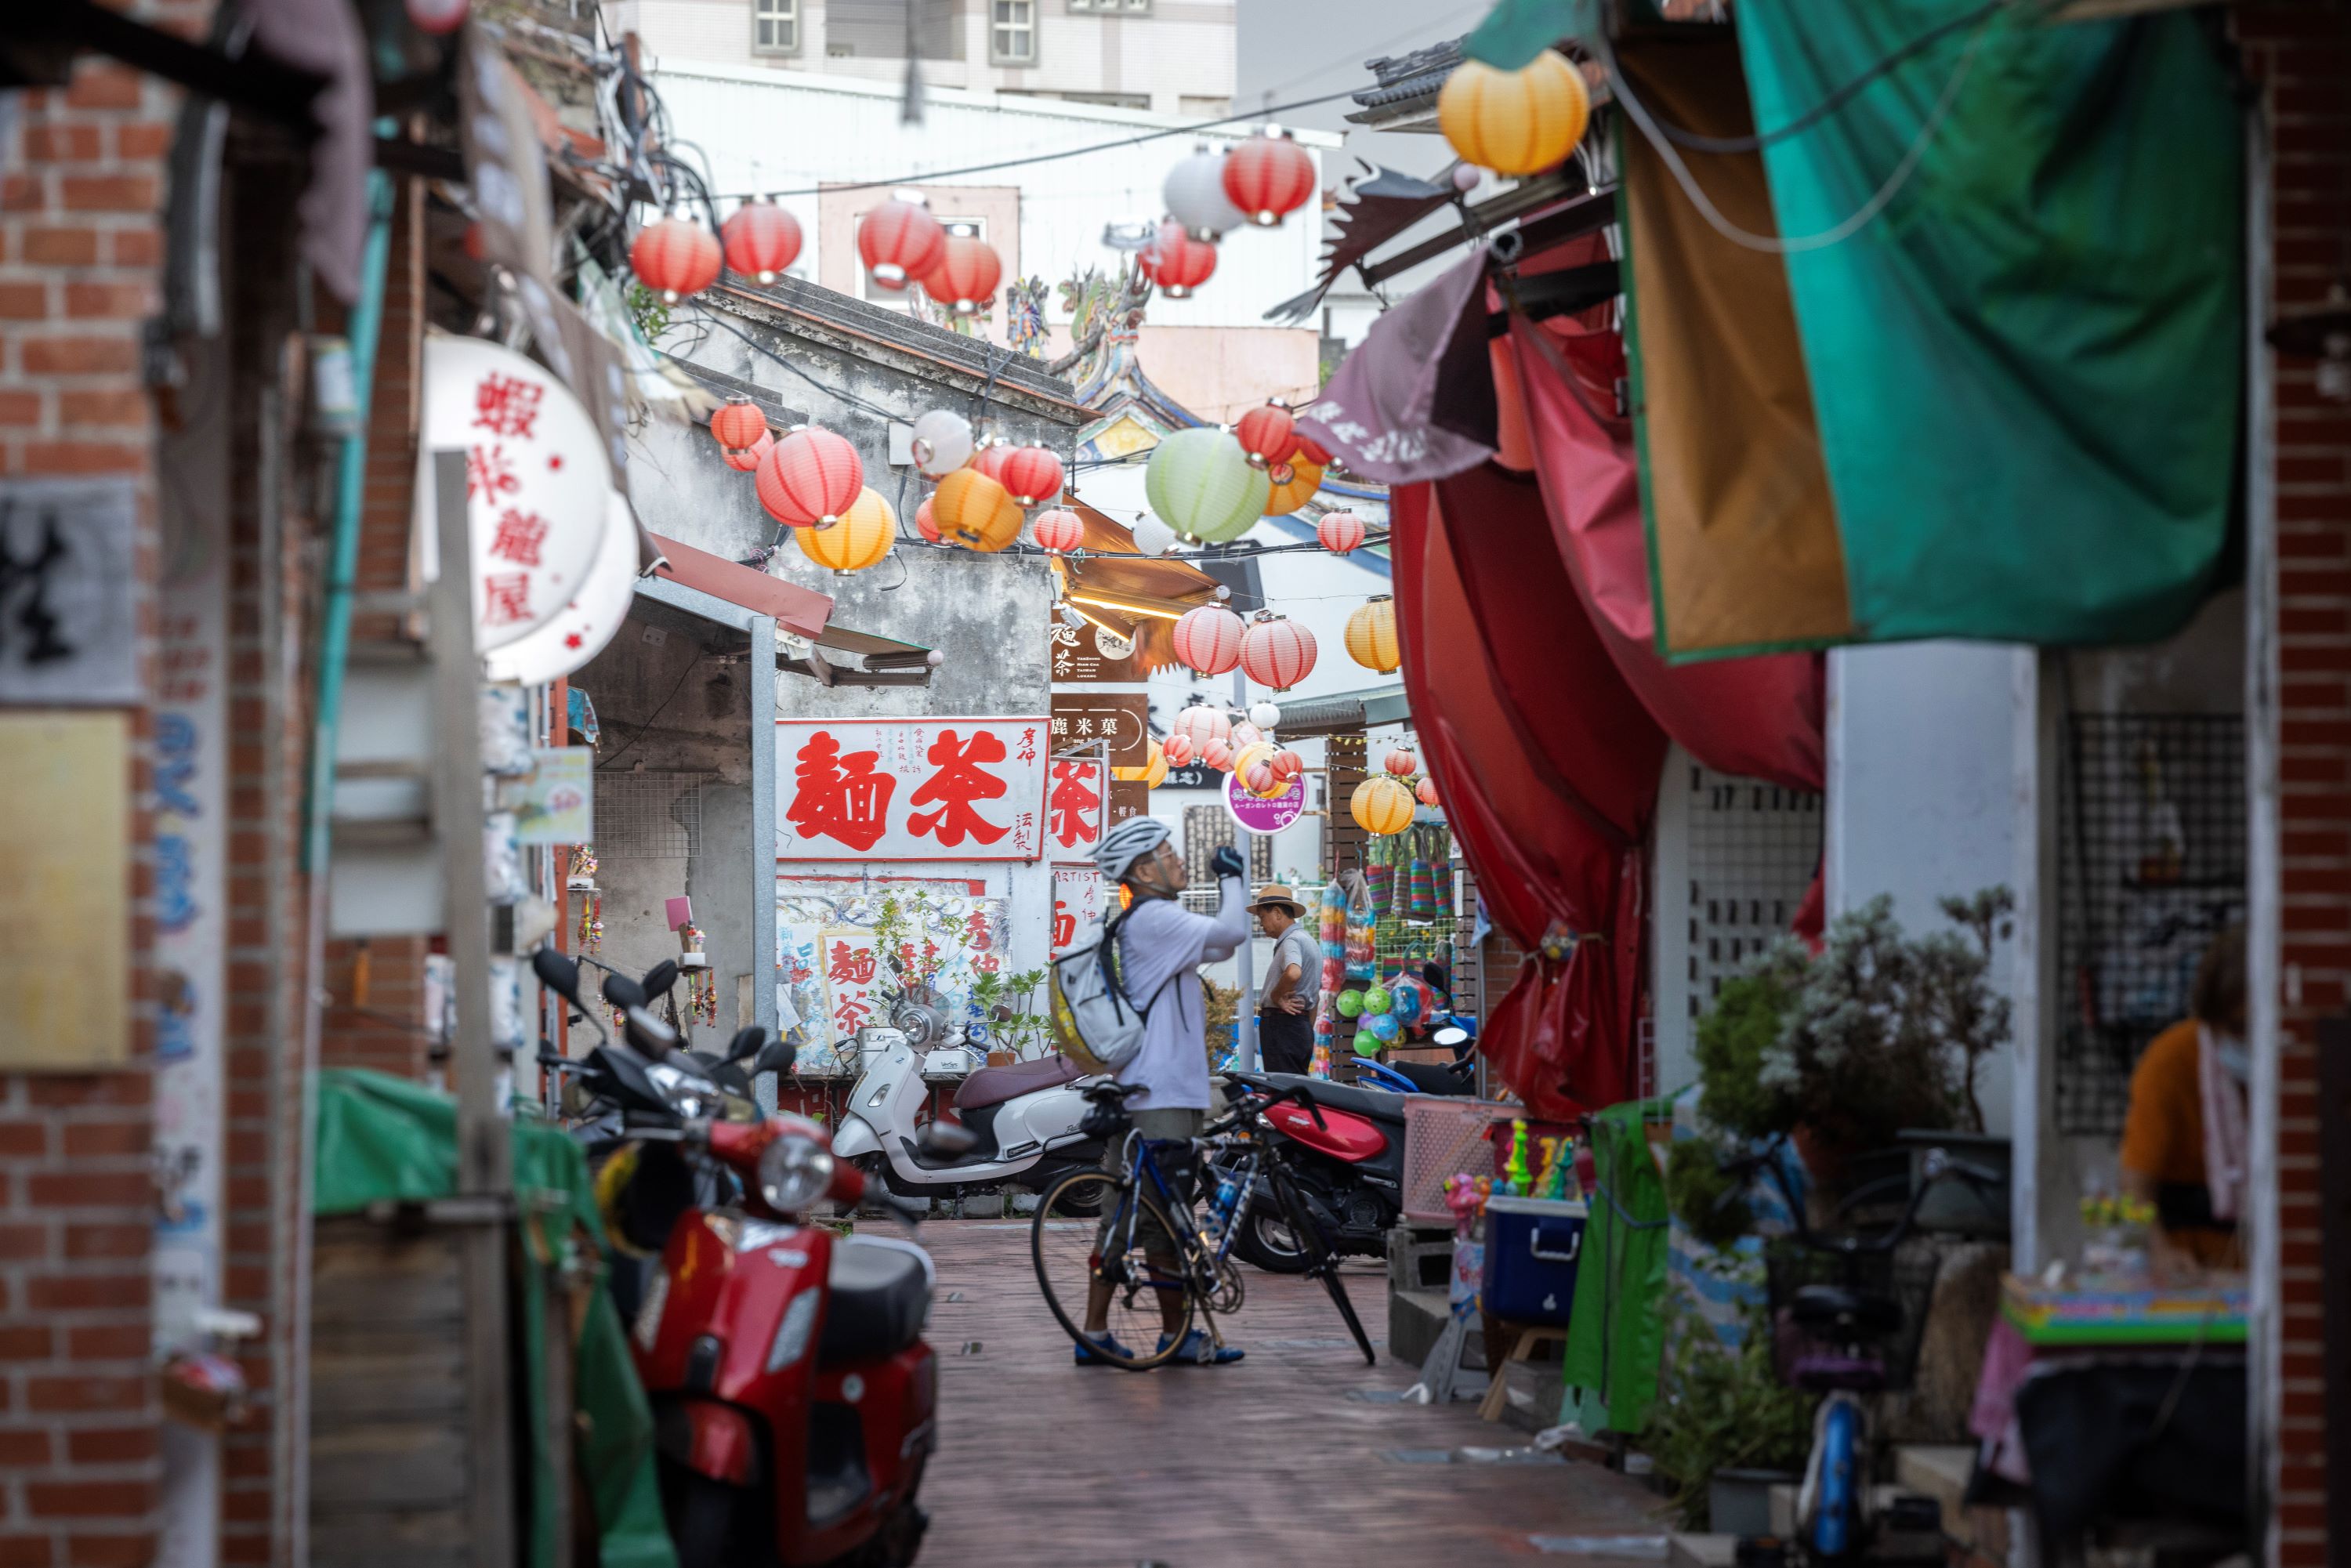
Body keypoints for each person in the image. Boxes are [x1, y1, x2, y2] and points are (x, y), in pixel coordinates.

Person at [1075, 817, 1249, 1367]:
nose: (1180, 860)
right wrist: (1233, 880)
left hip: (1156, 1091)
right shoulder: (1154, 917)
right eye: (1169, 853)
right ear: (1144, 869)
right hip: (1160, 1098)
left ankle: (1155, 1336)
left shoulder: (1153, 921)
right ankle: (1108, 1334)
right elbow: (1232, 933)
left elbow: (1216, 950)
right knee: (1146, 1218)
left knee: (1154, 1219)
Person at [2120, 929, 2248, 1276]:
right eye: (2237, 1027)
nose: (2248, 1039)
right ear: (2212, 1021)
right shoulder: (2171, 1062)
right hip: (2188, 1263)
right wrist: (2159, 1250)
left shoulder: (2300, 1063)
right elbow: (2136, 1185)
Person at [1250, 883, 1316, 1076]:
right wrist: (1304, 1030)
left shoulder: (1292, 940)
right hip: (1298, 1027)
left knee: (1283, 1089)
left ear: (1277, 913)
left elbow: (1294, 973)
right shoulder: (1308, 940)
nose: (1261, 924)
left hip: (1283, 1025)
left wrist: (1277, 995)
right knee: (1295, 1086)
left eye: (1262, 917)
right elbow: (1316, 997)